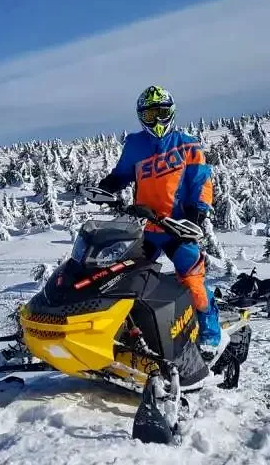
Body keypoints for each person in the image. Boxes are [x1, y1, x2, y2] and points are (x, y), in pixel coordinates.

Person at [98, 85, 221, 354]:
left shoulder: (188, 144)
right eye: (150, 114)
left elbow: (201, 181)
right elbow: (122, 174)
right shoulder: (135, 144)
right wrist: (107, 186)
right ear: (142, 116)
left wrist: (197, 214)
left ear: (171, 113)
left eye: (161, 113)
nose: (156, 120)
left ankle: (210, 332)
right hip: (144, 227)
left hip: (177, 226)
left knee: (193, 280)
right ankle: (123, 331)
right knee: (122, 278)